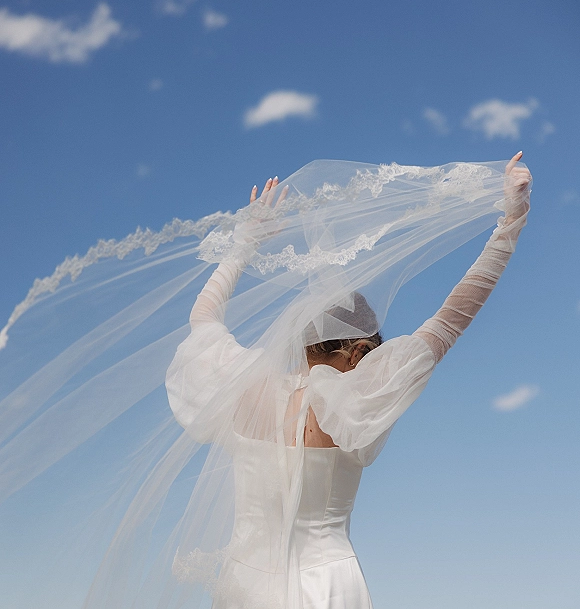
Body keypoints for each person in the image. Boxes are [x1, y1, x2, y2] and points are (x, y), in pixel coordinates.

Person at [165, 153, 531, 608]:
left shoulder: (244, 389)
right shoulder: (349, 404)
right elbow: (452, 318)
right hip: (327, 585)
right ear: (359, 349)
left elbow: (204, 317)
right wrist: (511, 223)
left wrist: (245, 245)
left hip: (245, 587)